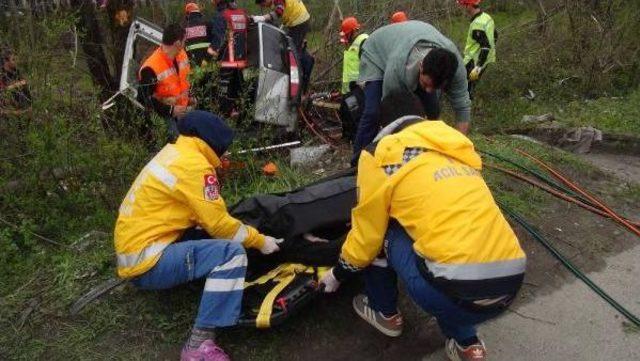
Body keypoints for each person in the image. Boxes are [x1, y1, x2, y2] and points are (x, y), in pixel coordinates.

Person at [319, 117, 526, 361]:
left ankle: (383, 311)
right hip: (510, 287)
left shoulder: (384, 157)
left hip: (453, 292)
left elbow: (367, 237)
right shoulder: (454, 150)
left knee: (382, 228)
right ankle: (467, 344)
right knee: (451, 257)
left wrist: (337, 274)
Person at [114, 111, 284, 361]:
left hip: (137, 250)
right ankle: (198, 344)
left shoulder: (175, 153)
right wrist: (261, 241)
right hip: (148, 262)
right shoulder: (196, 166)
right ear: (213, 144)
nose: (224, 155)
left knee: (207, 234)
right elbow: (220, 225)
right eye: (223, 150)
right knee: (231, 253)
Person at [351, 20, 472, 165]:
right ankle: (358, 163)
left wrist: (457, 153)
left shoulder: (456, 70)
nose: (429, 90)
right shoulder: (399, 67)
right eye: (426, 84)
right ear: (421, 66)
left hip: (409, 42)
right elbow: (389, 115)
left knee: (432, 110)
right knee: (374, 112)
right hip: (376, 53)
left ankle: (429, 153)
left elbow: (463, 109)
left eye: (435, 87)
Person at [138, 23, 195, 140]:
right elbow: (143, 98)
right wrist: (170, 110)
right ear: (177, 43)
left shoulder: (182, 55)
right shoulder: (150, 68)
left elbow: (186, 80)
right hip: (165, 115)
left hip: (184, 109)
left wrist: (191, 97)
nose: (185, 44)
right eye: (184, 41)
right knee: (177, 143)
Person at [252, 0, 313, 93]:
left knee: (292, 55)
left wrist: (262, 18)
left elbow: (279, 11)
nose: (264, 6)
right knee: (289, 49)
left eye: (263, 4)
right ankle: (306, 61)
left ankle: (298, 88)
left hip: (299, 22)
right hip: (296, 22)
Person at [208, 0, 250, 117]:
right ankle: (238, 113)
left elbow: (218, 39)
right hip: (240, 61)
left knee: (223, 90)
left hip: (227, 60)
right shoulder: (242, 14)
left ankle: (223, 115)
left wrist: (209, 54)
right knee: (238, 88)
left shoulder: (222, 15)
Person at [458, 0, 496, 99]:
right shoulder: (486, 17)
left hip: (473, 62)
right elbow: (495, 35)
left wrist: (477, 67)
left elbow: (485, 46)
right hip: (485, 60)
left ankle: (465, 108)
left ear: (469, 5)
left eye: (464, 5)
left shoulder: (477, 24)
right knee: (471, 86)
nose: (463, 8)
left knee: (464, 88)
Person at [339, 16, 368, 95]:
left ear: (353, 31)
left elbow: (370, 68)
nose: (346, 39)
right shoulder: (353, 45)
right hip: (348, 93)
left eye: (347, 34)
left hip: (359, 92)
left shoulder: (364, 41)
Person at [0, 48, 32, 114]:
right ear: (6, 62)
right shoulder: (2, 74)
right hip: (8, 106)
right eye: (13, 60)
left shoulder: (16, 71)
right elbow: (3, 91)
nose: (16, 62)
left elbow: (25, 81)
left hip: (21, 102)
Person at [183, 2, 212, 67]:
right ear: (198, 13)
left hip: (192, 64)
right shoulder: (208, 24)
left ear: (187, 14)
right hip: (208, 62)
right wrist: (207, 59)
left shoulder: (184, 27)